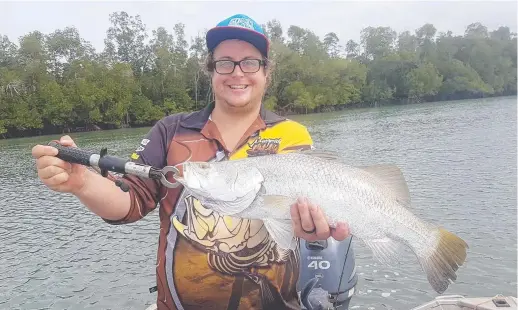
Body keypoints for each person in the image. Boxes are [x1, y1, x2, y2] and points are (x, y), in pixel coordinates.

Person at [32, 13, 350, 310]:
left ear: (266, 72)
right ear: (211, 71)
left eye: (250, 63)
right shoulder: (172, 131)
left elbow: (304, 216)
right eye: (225, 63)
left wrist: (313, 225)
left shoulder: (291, 134)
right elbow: (130, 203)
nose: (238, 72)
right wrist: (83, 182)